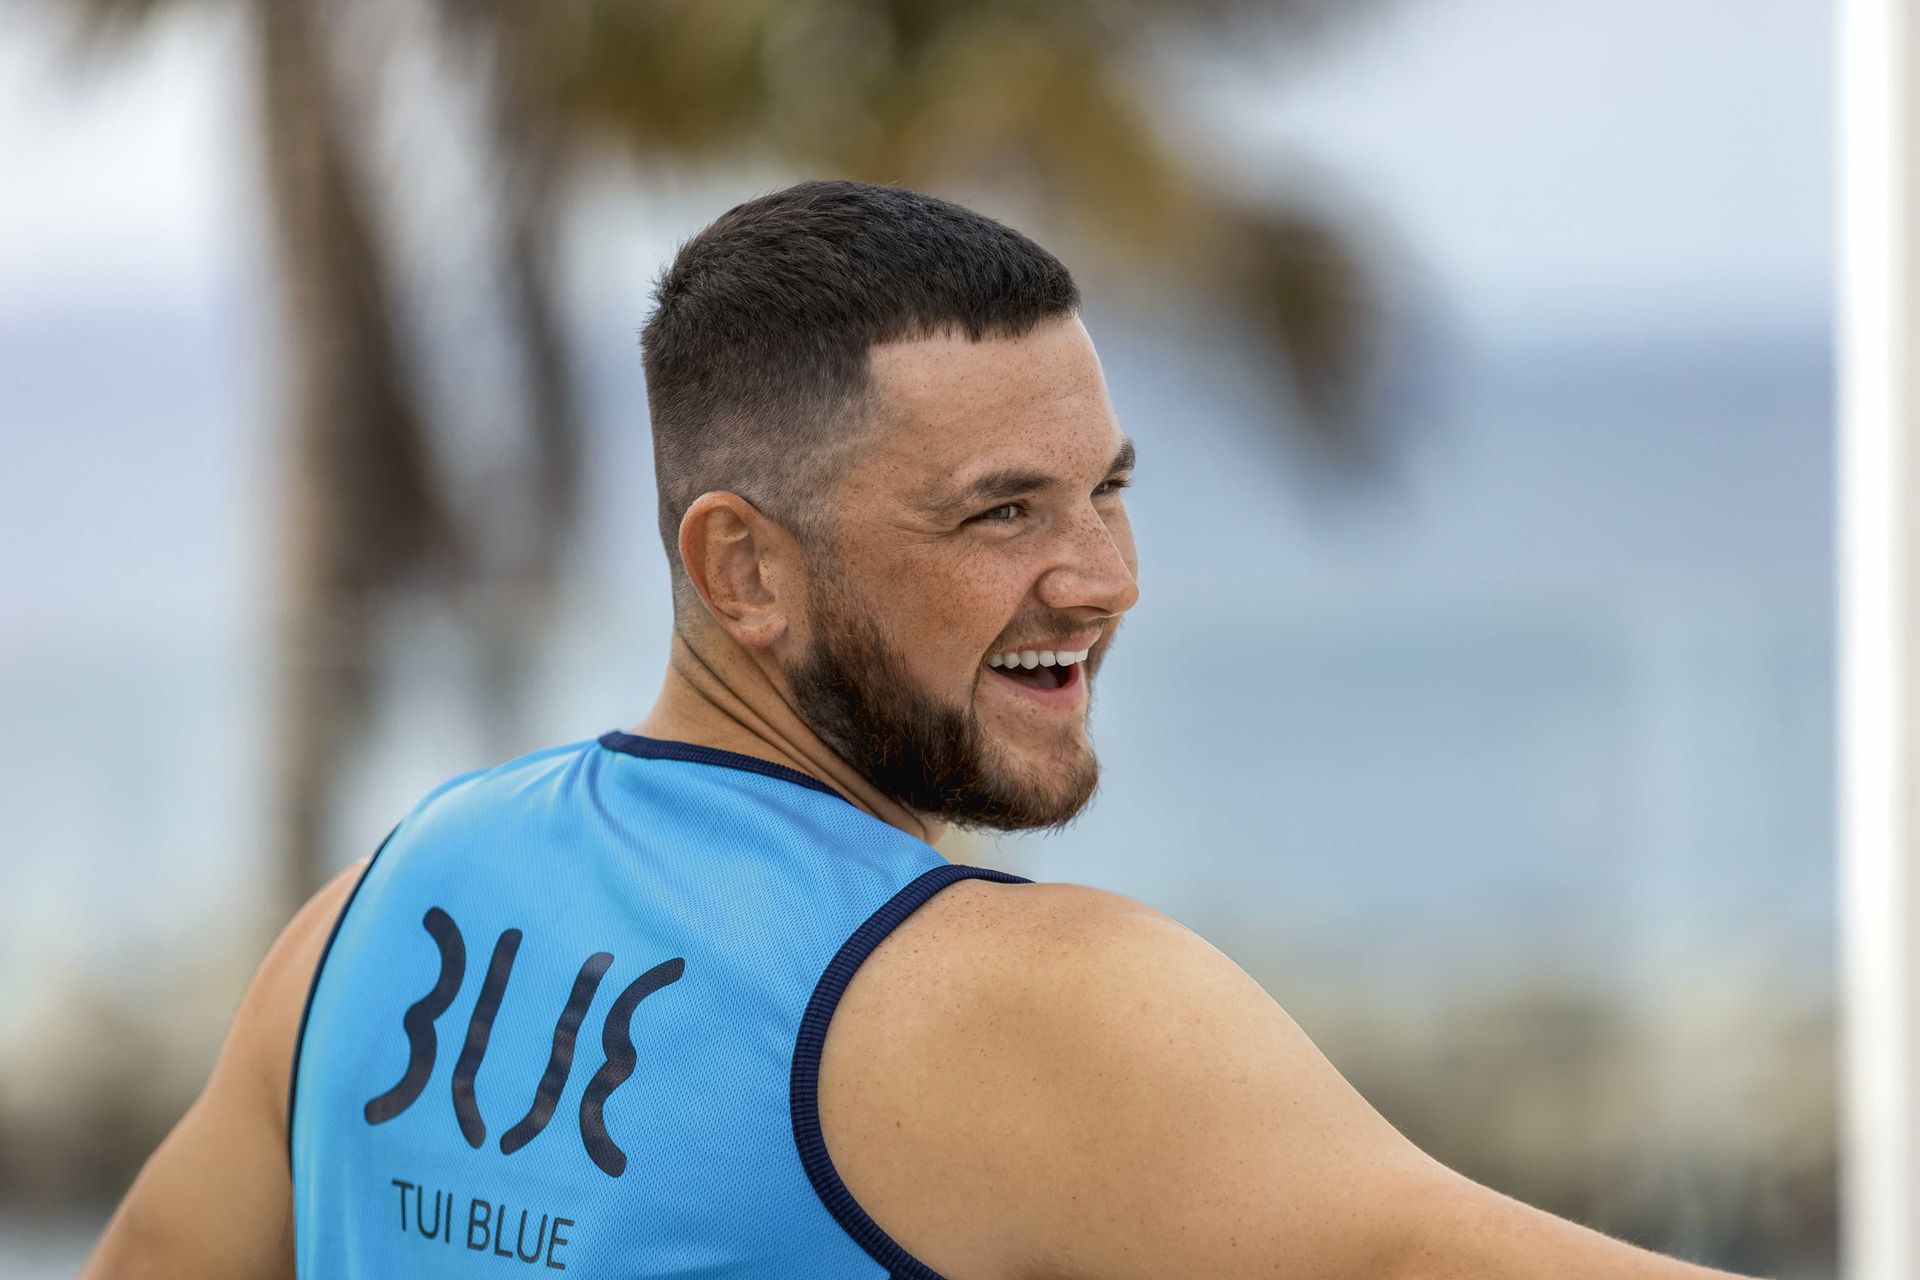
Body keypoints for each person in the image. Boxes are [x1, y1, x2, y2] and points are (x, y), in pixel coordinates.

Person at [82, 179, 1758, 1280]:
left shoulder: (385, 906)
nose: (1101, 581)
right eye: (1000, 516)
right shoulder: (1007, 1009)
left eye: (1107, 491)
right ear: (743, 564)